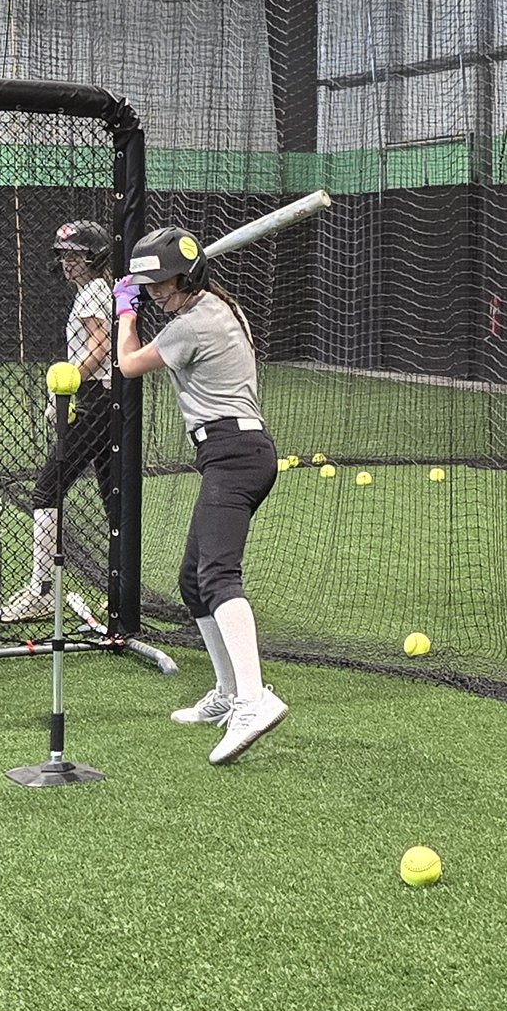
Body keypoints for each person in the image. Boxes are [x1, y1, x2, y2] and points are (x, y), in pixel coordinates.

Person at [113, 225, 286, 764]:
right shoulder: (212, 308)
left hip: (236, 454)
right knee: (193, 582)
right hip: (230, 454)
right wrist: (141, 293)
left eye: (163, 284)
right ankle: (230, 693)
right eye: (150, 286)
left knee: (217, 576)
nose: (156, 293)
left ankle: (254, 701)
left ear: (189, 277)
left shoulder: (196, 323)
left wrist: (125, 313)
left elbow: (127, 364)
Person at [0, 219, 116, 622]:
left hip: (94, 400)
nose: (67, 262)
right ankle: (120, 592)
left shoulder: (92, 295)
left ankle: (41, 591)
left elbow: (100, 347)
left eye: (76, 255)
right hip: (104, 400)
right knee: (113, 497)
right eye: (64, 255)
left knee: (46, 491)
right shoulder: (100, 291)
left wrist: (66, 387)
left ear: (94, 256)